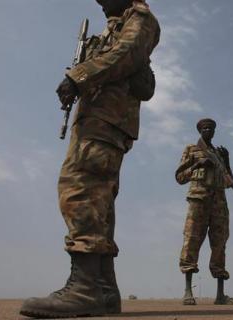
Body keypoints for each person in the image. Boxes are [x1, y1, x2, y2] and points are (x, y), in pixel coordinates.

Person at [20, 0, 160, 318]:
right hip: (99, 120)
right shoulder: (115, 26)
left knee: (79, 190)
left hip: (106, 121)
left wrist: (78, 76)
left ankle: (84, 289)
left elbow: (126, 54)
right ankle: (104, 291)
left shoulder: (139, 17)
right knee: (99, 204)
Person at [175, 118, 233, 305]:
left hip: (219, 204)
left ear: (215, 131)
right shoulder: (191, 150)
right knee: (192, 240)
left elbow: (229, 183)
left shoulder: (218, 153)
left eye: (211, 128)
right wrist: (197, 165)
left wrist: (226, 160)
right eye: (204, 128)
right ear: (199, 130)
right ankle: (188, 292)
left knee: (220, 245)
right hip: (199, 201)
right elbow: (179, 177)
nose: (208, 130)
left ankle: (220, 295)